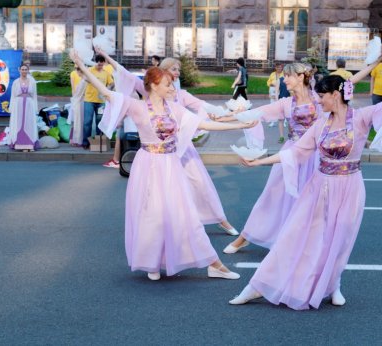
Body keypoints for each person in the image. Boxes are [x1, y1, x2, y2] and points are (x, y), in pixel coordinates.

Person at [228, 62, 382, 311]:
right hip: (318, 188)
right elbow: (298, 152)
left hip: (350, 189)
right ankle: (257, 286)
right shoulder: (320, 124)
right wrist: (259, 162)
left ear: (335, 95)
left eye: (321, 96)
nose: (318, 101)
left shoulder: (362, 118)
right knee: (293, 234)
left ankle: (333, 284)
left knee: (339, 242)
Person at [71, 49, 258, 281]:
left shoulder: (175, 109)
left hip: (171, 166)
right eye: (168, 84)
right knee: (151, 214)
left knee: (185, 214)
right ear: (154, 86)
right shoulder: (137, 107)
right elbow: (107, 94)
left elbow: (205, 124)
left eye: (172, 84)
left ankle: (214, 264)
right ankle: (152, 263)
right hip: (147, 165)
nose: (172, 88)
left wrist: (239, 125)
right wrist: (80, 64)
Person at [216, 51, 382, 255]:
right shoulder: (286, 103)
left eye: (287, 76)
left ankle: (303, 241)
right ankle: (245, 237)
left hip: (317, 157)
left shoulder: (320, 97)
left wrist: (375, 62)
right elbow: (255, 114)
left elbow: (350, 81)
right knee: (272, 196)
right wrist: (221, 119)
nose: (284, 79)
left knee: (312, 202)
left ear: (300, 77)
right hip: (292, 153)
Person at [95, 47, 241, 236]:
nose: (177, 73)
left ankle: (221, 220)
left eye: (178, 71)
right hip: (157, 150)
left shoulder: (181, 95)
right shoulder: (151, 91)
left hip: (182, 146)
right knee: (158, 193)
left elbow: (204, 107)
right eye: (173, 70)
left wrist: (231, 115)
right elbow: (124, 73)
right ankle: (161, 230)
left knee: (200, 183)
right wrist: (105, 56)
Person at [82, 55, 114, 150]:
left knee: (100, 122)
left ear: (104, 63)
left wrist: (107, 88)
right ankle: (86, 142)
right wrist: (94, 81)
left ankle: (97, 142)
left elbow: (112, 83)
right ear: (95, 62)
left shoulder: (106, 72)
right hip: (89, 100)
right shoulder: (90, 70)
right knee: (87, 122)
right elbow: (85, 77)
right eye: (98, 64)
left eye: (101, 64)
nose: (100, 66)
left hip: (101, 101)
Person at [8, 64, 39, 151]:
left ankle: (29, 145)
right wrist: (12, 108)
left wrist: (35, 107)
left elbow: (34, 96)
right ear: (20, 71)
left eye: (26, 69)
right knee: (19, 123)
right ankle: (20, 145)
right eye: (23, 69)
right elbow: (13, 96)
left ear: (28, 71)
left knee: (29, 123)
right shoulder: (15, 82)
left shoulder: (32, 82)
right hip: (18, 104)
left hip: (29, 104)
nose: (24, 71)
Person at [267, 63, 287, 139]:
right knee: (273, 107)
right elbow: (268, 82)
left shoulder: (283, 74)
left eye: (280, 67)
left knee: (282, 108)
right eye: (277, 67)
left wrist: (275, 83)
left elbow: (284, 81)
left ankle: (284, 121)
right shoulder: (272, 74)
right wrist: (270, 84)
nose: (279, 68)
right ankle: (273, 121)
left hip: (281, 92)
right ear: (275, 68)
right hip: (273, 92)